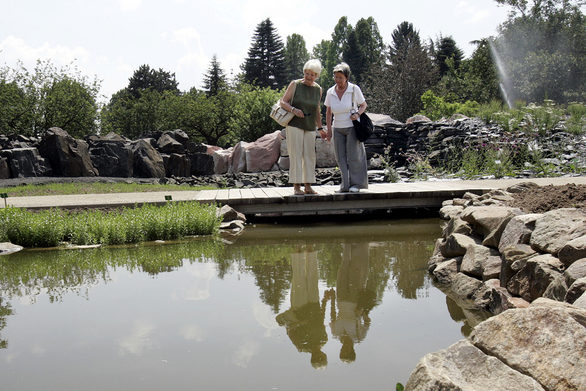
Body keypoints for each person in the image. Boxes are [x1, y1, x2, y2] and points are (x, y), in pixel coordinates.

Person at [280, 59, 326, 195]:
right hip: (294, 124)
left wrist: (320, 128)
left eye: (312, 74)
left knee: (310, 156)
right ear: (304, 72)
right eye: (307, 73)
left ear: (317, 75)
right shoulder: (295, 84)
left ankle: (308, 186)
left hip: (310, 126)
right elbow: (283, 102)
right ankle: (296, 187)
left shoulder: (318, 89)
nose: (309, 77)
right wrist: (294, 110)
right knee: (296, 154)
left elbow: (317, 109)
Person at [324, 62, 368, 193]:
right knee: (340, 157)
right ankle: (345, 185)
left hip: (352, 127)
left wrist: (357, 114)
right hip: (337, 127)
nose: (337, 80)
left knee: (354, 156)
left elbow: (363, 105)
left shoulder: (354, 89)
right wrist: (329, 131)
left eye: (340, 78)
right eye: (336, 77)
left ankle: (357, 184)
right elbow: (328, 112)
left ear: (346, 77)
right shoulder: (330, 92)